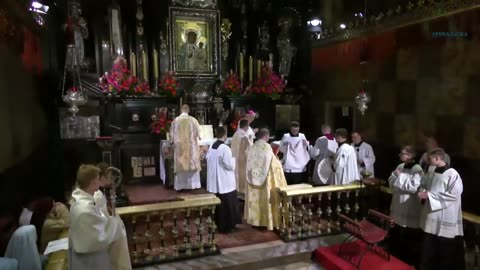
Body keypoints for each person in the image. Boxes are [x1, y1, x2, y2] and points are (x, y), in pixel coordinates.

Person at [69, 164, 131, 270]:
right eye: (97, 180)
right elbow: (99, 238)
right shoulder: (84, 210)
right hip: (88, 261)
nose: (99, 183)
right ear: (92, 183)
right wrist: (116, 224)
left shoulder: (82, 200)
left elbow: (98, 219)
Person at [418, 148, 465, 270]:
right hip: (431, 214)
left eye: (430, 159)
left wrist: (429, 195)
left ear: (438, 158)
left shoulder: (452, 174)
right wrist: (423, 190)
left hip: (445, 215)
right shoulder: (431, 169)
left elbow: (454, 195)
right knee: (428, 247)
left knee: (444, 250)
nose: (428, 161)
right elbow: (426, 184)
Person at [245, 128, 287, 230]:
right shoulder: (267, 147)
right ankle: (266, 221)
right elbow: (272, 164)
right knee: (265, 200)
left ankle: (255, 221)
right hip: (265, 181)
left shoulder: (252, 146)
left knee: (256, 200)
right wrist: (280, 163)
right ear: (266, 137)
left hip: (253, 179)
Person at [388, 146, 423, 267]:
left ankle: (407, 262)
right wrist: (399, 180)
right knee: (396, 234)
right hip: (398, 204)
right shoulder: (400, 167)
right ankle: (396, 258)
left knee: (408, 238)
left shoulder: (417, 169)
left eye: (402, 154)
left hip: (409, 206)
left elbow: (413, 187)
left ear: (410, 156)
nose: (400, 155)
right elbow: (391, 180)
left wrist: (400, 177)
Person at [206, 126, 241, 233]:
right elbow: (229, 165)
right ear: (225, 135)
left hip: (216, 181)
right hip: (225, 182)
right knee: (228, 205)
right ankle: (228, 226)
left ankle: (219, 224)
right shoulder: (225, 148)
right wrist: (234, 160)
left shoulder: (212, 146)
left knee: (220, 205)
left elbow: (207, 159)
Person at [169, 104, 202, 191]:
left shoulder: (176, 121)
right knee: (191, 164)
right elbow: (200, 134)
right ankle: (193, 185)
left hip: (180, 148)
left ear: (181, 110)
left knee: (181, 164)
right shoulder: (193, 120)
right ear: (188, 111)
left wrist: (172, 141)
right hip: (191, 148)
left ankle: (180, 186)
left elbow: (171, 136)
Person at [230, 119, 252, 194]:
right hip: (243, 161)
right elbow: (249, 149)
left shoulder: (235, 134)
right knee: (243, 177)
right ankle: (243, 192)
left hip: (235, 159)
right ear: (246, 126)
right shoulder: (244, 137)